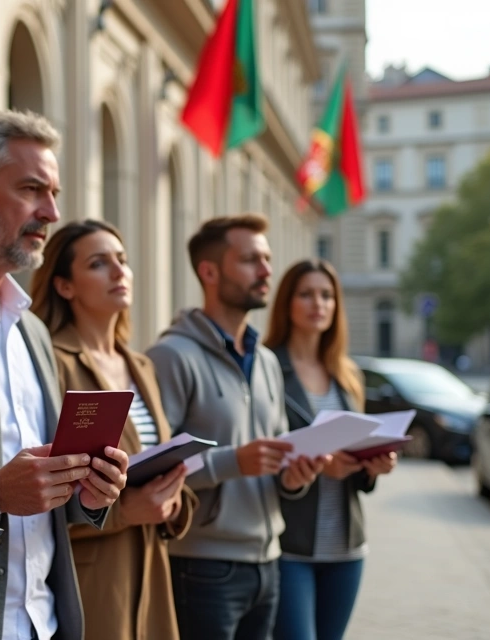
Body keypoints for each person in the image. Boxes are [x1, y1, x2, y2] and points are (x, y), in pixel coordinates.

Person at [0, 110, 130, 640]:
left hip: (47, 621)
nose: (51, 212)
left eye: (52, 193)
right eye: (33, 189)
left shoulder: (31, 330)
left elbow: (45, 491)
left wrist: (89, 492)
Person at [146, 214, 327, 640]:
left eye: (266, 259)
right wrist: (233, 461)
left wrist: (295, 478)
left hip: (269, 561)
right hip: (203, 566)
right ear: (209, 271)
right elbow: (149, 466)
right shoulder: (171, 356)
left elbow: (277, 454)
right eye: (250, 260)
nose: (266, 271)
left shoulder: (265, 360)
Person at [30, 220, 198, 640]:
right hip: (94, 584)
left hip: (153, 577)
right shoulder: (51, 360)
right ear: (65, 285)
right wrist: (125, 511)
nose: (119, 271)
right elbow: (38, 488)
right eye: (99, 264)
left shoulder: (141, 366)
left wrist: (174, 501)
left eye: (122, 261)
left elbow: (156, 461)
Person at [265, 259, 397, 640]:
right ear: (287, 303)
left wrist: (371, 466)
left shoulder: (347, 373)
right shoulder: (268, 368)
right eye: (306, 294)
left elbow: (354, 459)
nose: (317, 304)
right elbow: (256, 451)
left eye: (326, 295)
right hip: (290, 545)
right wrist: (320, 468)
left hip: (346, 547)